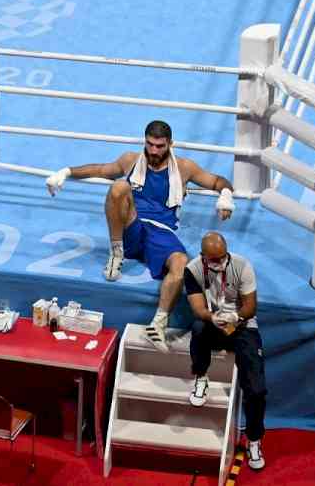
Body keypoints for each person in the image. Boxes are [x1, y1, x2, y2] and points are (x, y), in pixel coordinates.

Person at [45, 120, 235, 352]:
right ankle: (116, 254)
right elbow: (100, 170)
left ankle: (158, 324)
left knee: (181, 263)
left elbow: (217, 181)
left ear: (170, 144)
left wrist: (225, 195)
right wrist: (65, 172)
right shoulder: (130, 160)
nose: (154, 151)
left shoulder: (185, 167)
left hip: (162, 231)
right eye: (150, 144)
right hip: (131, 225)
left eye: (160, 146)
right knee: (119, 187)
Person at [183, 231, 267, 470]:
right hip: (213, 323)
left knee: (257, 390)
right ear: (203, 257)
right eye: (214, 259)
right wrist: (214, 317)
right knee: (198, 327)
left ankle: (254, 439)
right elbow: (198, 308)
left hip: (242, 326)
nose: (220, 263)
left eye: (223, 257)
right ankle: (201, 376)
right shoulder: (193, 269)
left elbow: (251, 307)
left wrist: (235, 316)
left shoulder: (242, 266)